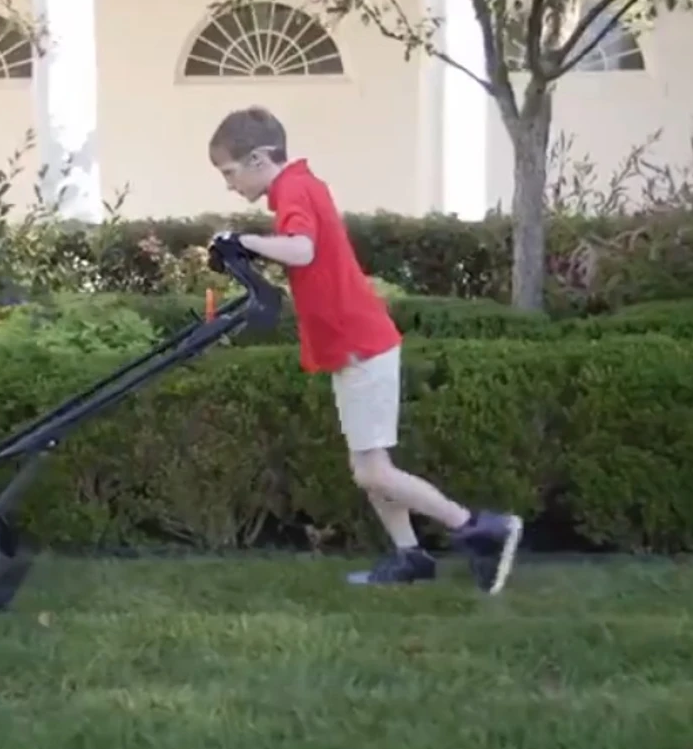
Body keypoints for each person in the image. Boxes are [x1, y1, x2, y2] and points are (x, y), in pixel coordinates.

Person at [207, 105, 523, 592]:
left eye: (230, 173)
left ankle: (479, 528)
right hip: (351, 346)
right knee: (371, 466)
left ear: (259, 158)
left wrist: (241, 239)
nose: (229, 184)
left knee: (371, 470)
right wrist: (248, 245)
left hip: (360, 344)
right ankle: (410, 556)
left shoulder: (295, 187)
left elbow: (302, 249)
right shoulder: (299, 187)